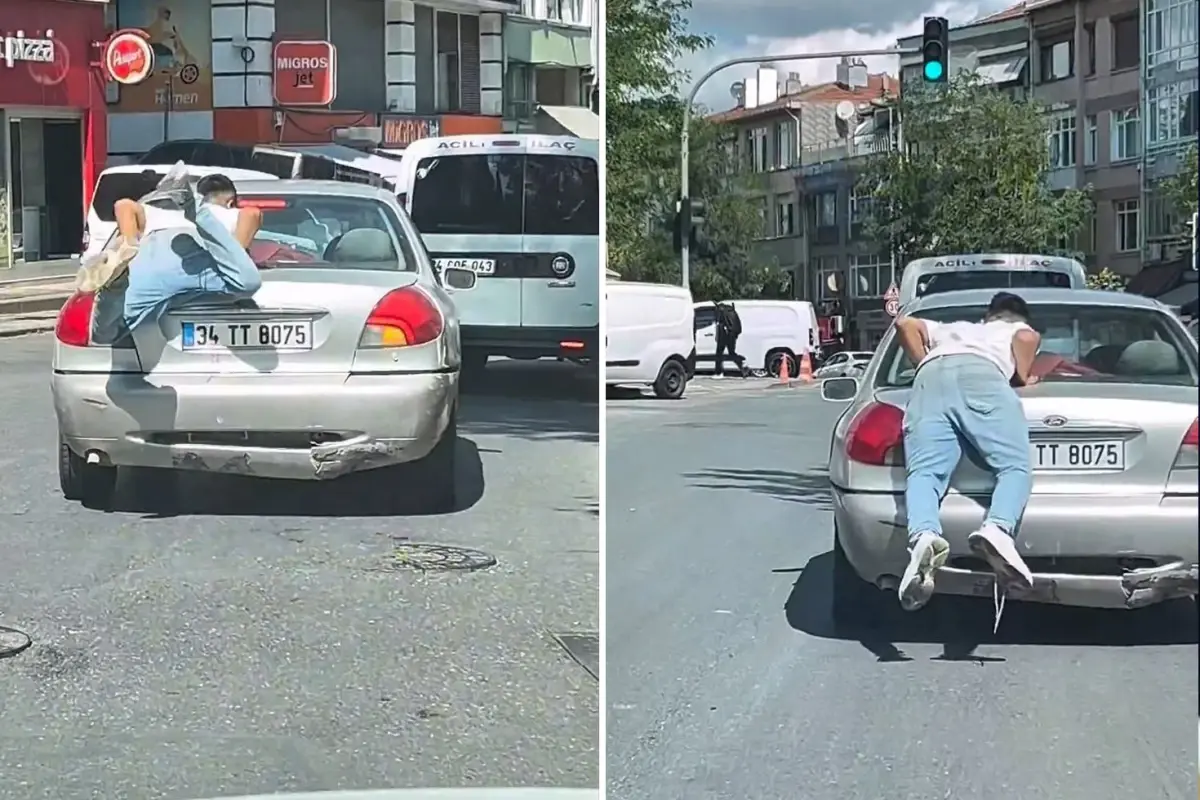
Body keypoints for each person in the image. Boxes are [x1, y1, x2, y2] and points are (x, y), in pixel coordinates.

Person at [892, 291, 1040, 613]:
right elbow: (1027, 338)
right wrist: (1025, 376)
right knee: (1013, 466)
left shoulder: (955, 328)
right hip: (981, 376)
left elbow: (904, 324)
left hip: (930, 378)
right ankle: (998, 529)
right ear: (1018, 317)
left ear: (988, 315)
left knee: (925, 472)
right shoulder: (1014, 329)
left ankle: (924, 537)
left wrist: (924, 363)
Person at [82, 169, 265, 332]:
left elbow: (123, 204)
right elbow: (252, 214)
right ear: (231, 201)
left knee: (108, 330)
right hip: (199, 263)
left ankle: (116, 286)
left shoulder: (158, 210)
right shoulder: (232, 212)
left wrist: (129, 240)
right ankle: (198, 215)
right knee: (246, 283)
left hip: (148, 260)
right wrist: (237, 254)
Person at [714, 301, 748, 379]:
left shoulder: (722, 312)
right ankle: (743, 367)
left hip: (725, 336)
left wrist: (719, 336)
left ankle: (718, 372)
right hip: (732, 335)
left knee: (719, 354)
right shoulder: (732, 312)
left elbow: (722, 325)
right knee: (731, 353)